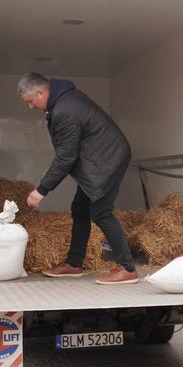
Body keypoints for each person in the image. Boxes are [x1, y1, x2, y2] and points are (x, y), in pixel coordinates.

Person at [18, 72, 138, 285]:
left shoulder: (65, 111)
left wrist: (42, 190)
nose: (30, 106)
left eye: (30, 101)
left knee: (101, 212)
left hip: (107, 161)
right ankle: (74, 264)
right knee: (80, 209)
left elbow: (66, 157)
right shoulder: (63, 100)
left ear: (40, 92)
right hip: (100, 160)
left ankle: (127, 268)